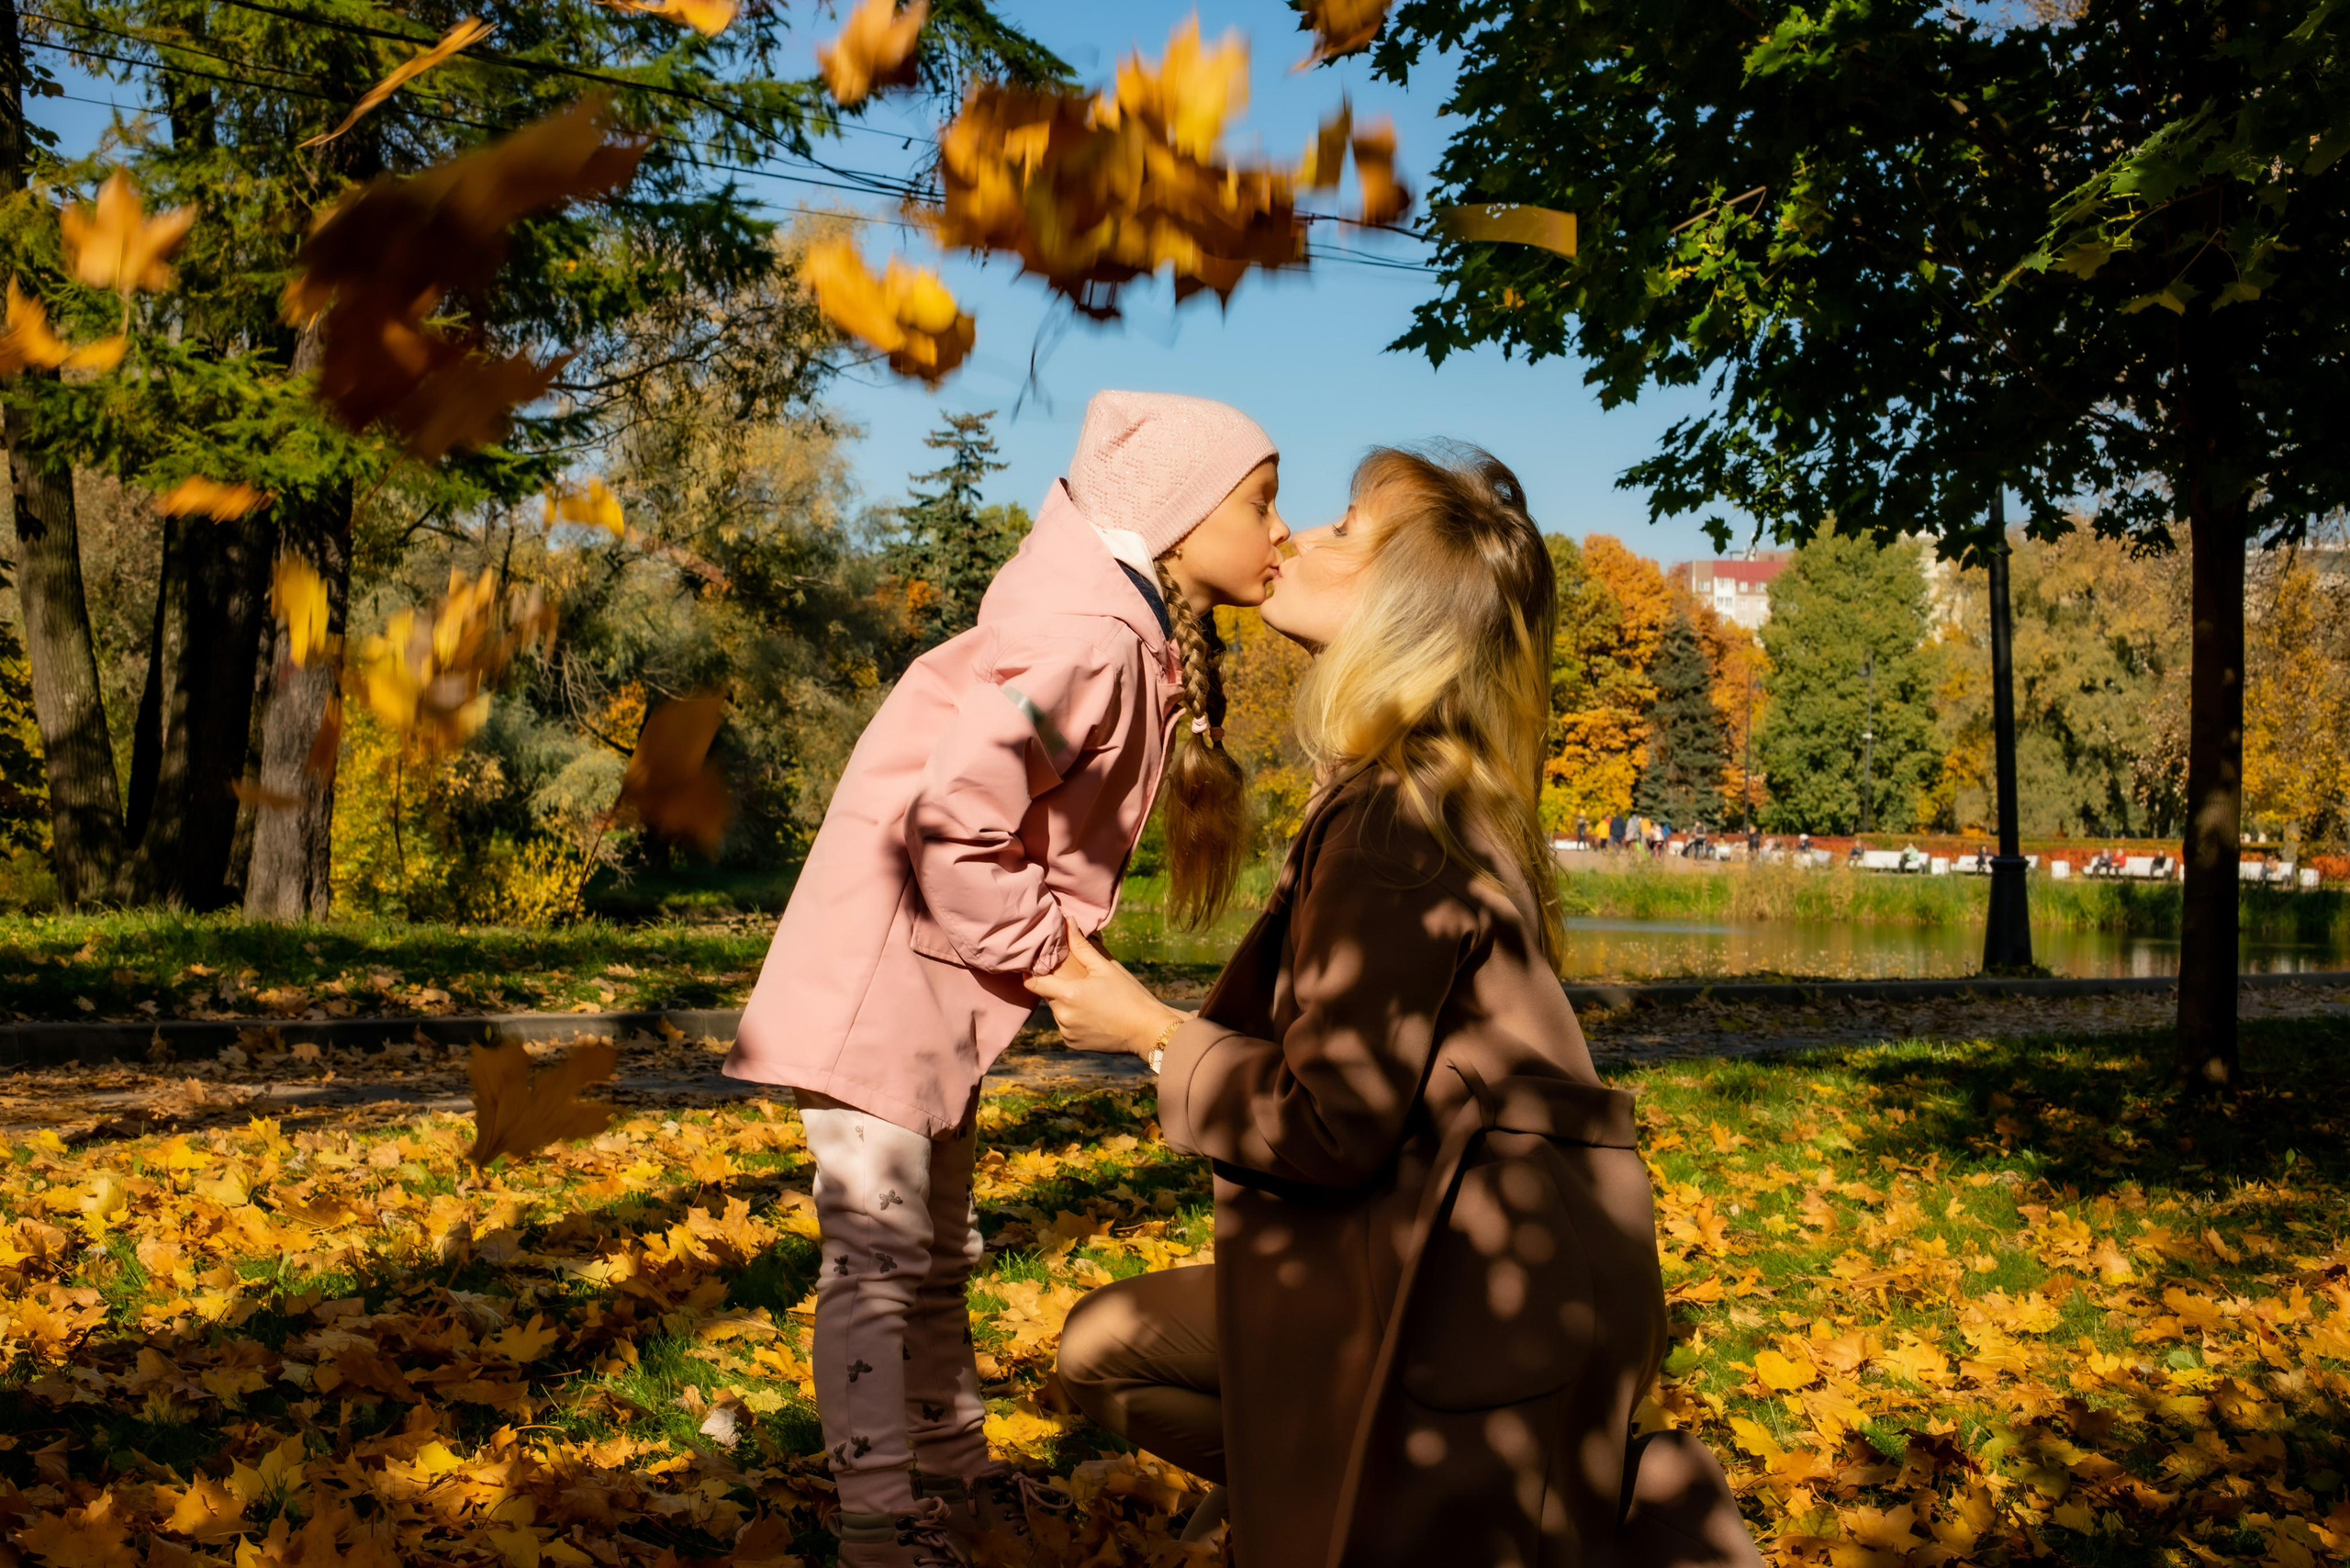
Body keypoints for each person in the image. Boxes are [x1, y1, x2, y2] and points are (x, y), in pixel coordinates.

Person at [1031, 445, 1761, 1568]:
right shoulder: (1441, 790)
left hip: (1451, 1291)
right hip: (1511, 1278)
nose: (1293, 537)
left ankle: (1333, 1494)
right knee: (1105, 1350)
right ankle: (1320, 1489)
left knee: (1103, 1351)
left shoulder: (1391, 817)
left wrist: (1150, 1032)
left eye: (1342, 531)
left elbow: (1335, 1120)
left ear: (1403, 608)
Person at [722, 390, 1289, 1567]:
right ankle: (885, 1526)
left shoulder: (1115, 628)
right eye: (1262, 504)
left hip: (936, 988)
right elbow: (953, 824)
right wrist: (1055, 957)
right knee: (878, 1264)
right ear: (1181, 520)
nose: (1281, 531)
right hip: (884, 981)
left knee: (935, 1253)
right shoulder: (1082, 636)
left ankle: (958, 1479)